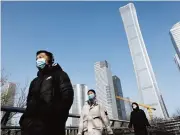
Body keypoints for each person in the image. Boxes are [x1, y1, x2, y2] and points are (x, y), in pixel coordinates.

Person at [19, 50, 74, 135]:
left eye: (41, 57)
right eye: (36, 58)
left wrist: (56, 118)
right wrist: (24, 119)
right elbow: (29, 102)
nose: (38, 60)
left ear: (50, 59)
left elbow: (67, 98)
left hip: (51, 126)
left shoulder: (60, 74)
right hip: (30, 127)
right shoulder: (34, 81)